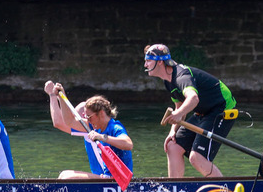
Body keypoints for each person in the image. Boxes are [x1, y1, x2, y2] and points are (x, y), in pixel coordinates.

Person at [143, 43, 236, 178]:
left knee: (196, 157)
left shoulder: (181, 76)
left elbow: (193, 99)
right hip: (203, 112)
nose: (145, 65)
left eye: (148, 60)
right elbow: (180, 106)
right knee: (172, 146)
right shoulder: (167, 81)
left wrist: (178, 114)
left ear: (160, 62)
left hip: (221, 109)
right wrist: (172, 131)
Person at [43, 80, 133, 180]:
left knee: (68, 178)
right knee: (64, 174)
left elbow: (128, 144)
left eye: (89, 117)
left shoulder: (115, 128)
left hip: (117, 180)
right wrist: (61, 96)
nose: (88, 120)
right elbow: (69, 120)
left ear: (101, 113)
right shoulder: (94, 126)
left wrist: (102, 137)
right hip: (105, 178)